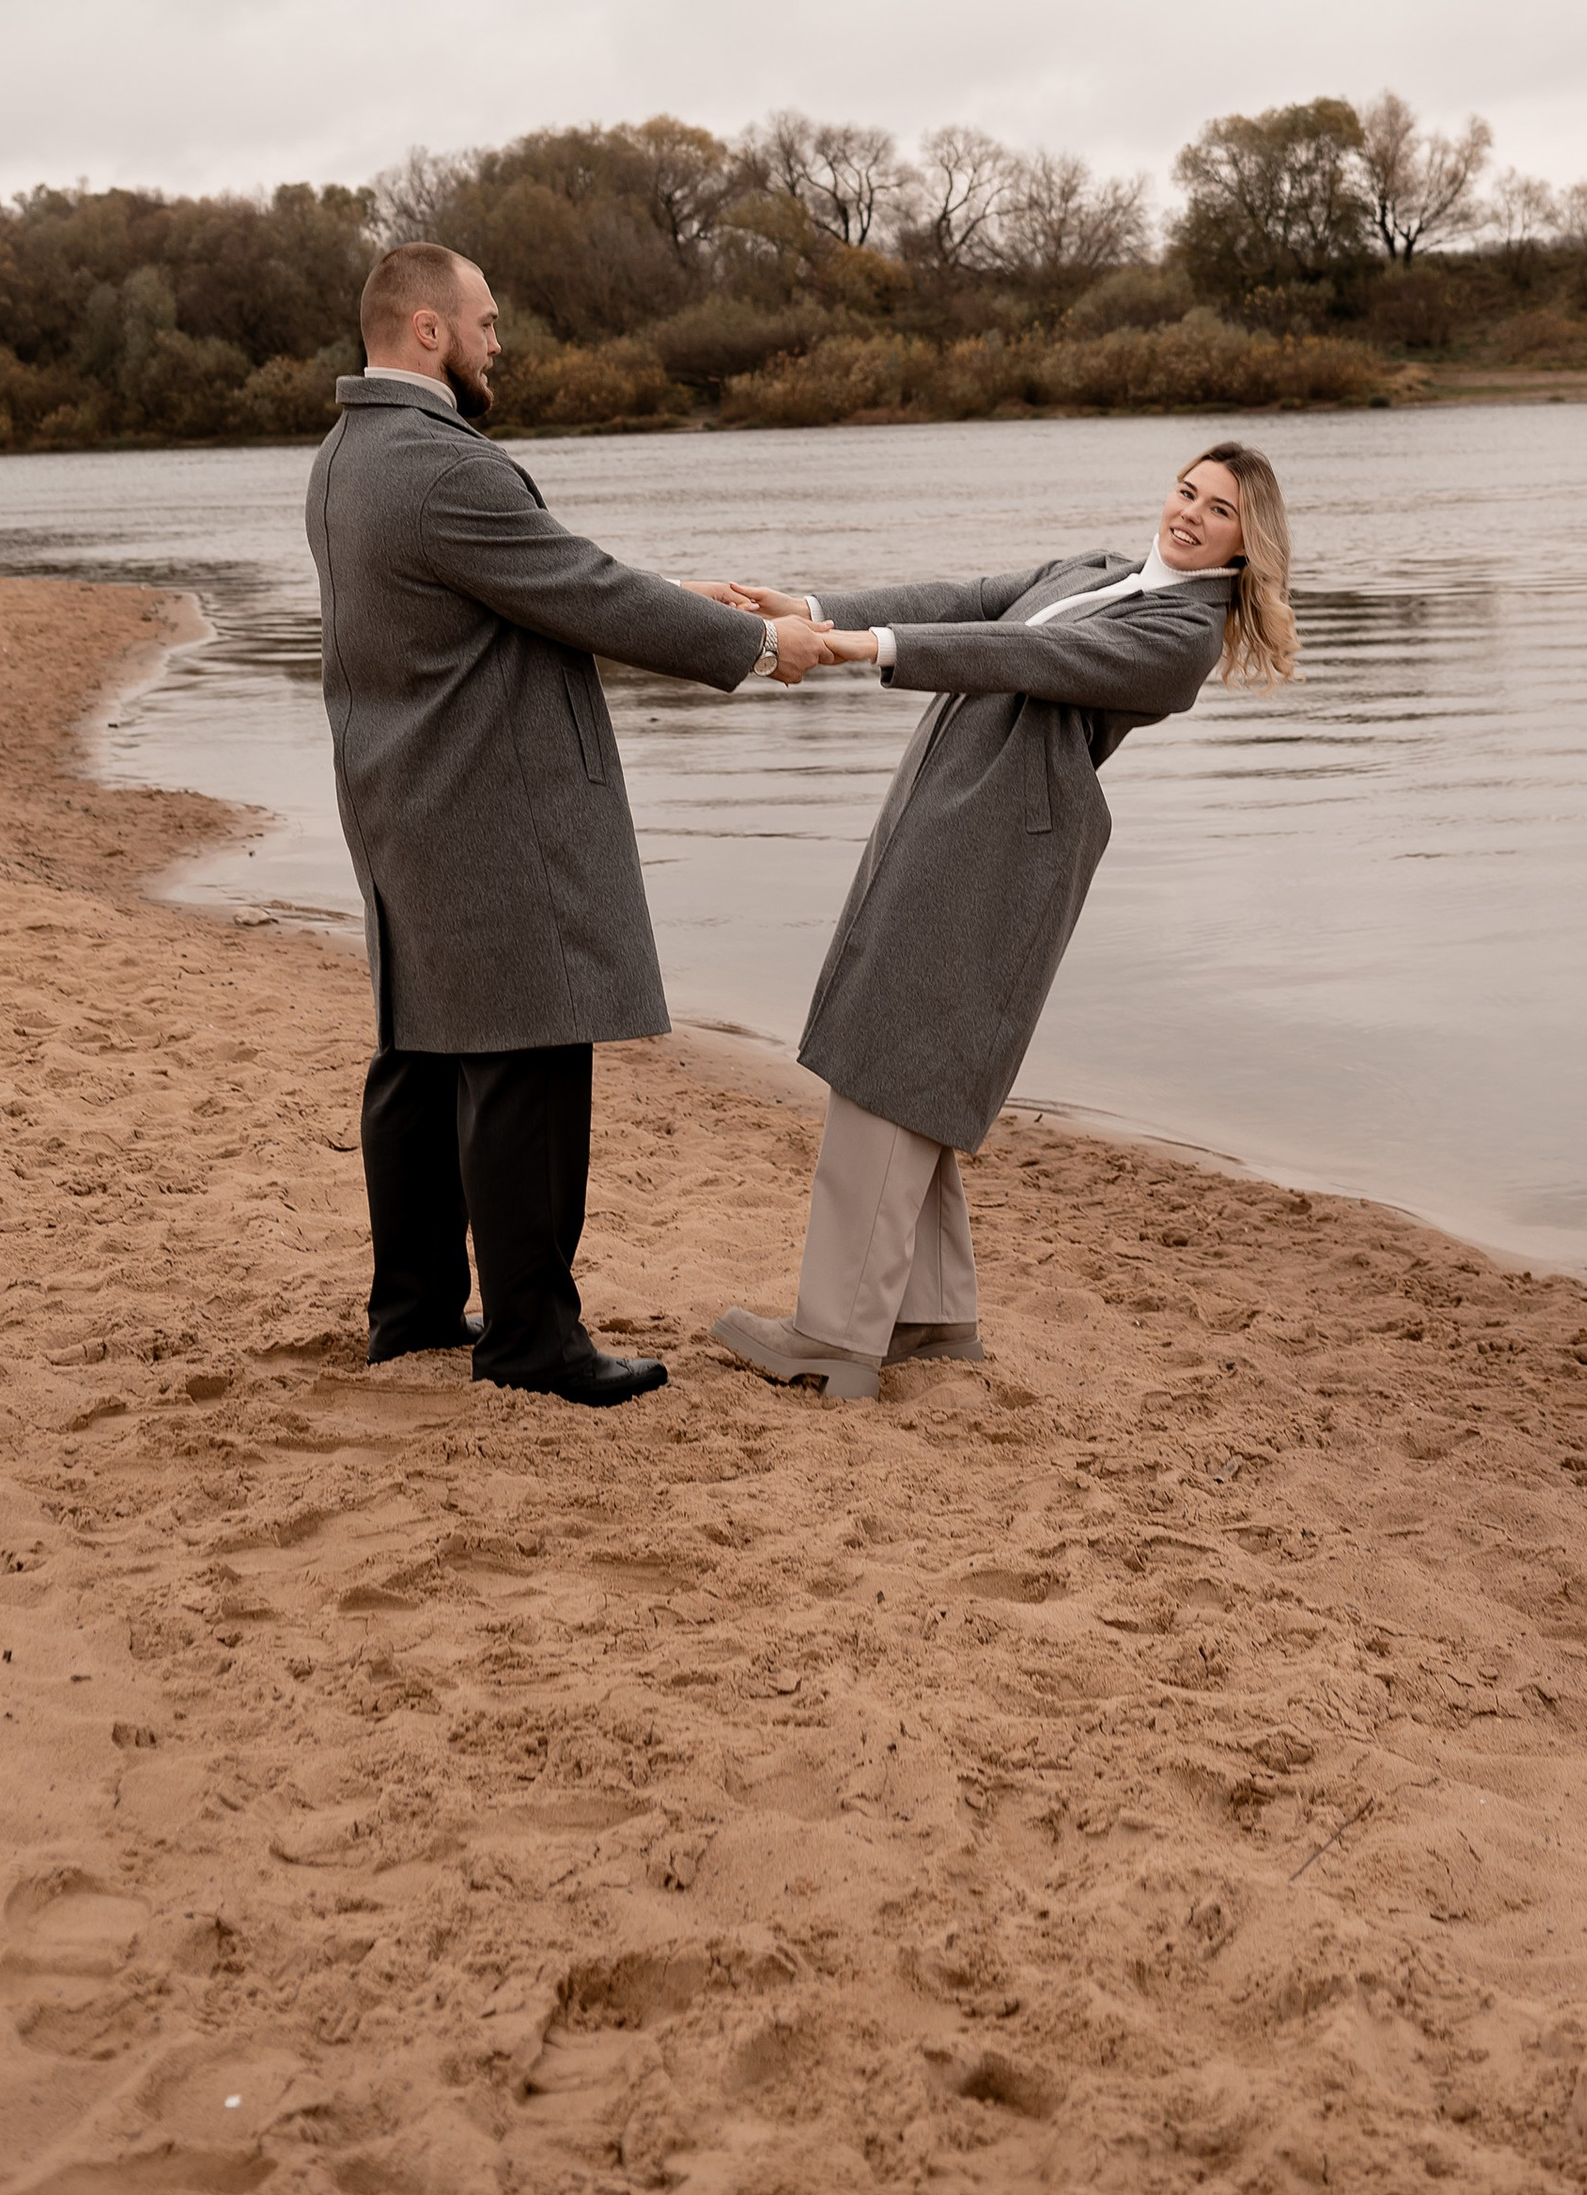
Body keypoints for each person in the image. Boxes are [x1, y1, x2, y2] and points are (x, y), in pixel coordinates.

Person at [306, 241, 828, 1406]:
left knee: (422, 1056)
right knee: (527, 1059)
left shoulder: (346, 455)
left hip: (400, 791)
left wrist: (676, 594)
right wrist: (752, 641)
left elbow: (542, 580)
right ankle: (534, 1338)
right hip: (493, 805)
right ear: (429, 330)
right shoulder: (446, 465)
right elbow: (581, 593)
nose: (501, 341)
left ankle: (416, 1310)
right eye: (486, 321)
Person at [707, 441, 1297, 1401]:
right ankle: (930, 1317)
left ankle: (835, 1338)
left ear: (1247, 542)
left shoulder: (1181, 637)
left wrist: (867, 652)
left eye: (1219, 509)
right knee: (914, 1056)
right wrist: (816, 612)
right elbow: (973, 598)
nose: (1190, 512)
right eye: (1186, 490)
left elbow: (1031, 655)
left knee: (890, 1058)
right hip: (952, 821)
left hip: (998, 851)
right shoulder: (1099, 572)